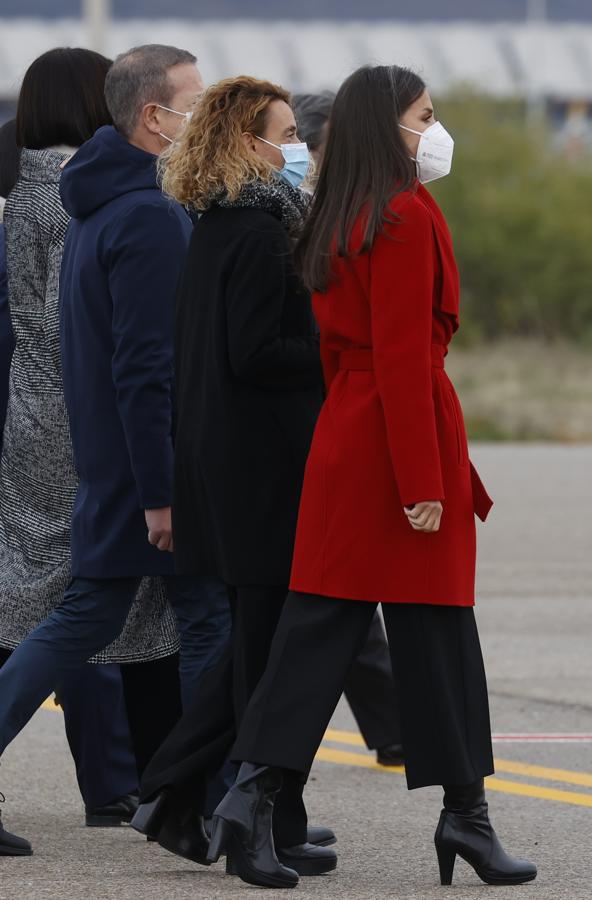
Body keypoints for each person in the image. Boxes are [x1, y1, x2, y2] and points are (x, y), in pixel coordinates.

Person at [206, 65, 538, 890]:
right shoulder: (402, 215)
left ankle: (250, 803)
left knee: (318, 632)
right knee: (438, 633)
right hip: (399, 436)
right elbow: (399, 352)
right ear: (388, 126)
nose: (435, 129)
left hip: (353, 435)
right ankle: (465, 818)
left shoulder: (341, 210)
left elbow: (343, 351)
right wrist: (422, 479)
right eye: (425, 115)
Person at [0, 44, 231, 851]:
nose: (205, 115)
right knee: (186, 619)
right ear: (149, 115)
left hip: (80, 440)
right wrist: (161, 489)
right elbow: (144, 364)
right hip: (126, 451)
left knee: (79, 618)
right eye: (195, 103)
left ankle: (190, 799)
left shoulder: (79, 198)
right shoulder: (141, 214)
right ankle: (189, 798)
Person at [132, 75, 336, 879]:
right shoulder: (254, 232)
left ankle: (197, 800)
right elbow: (254, 354)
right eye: (287, 134)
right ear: (248, 142)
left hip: (234, 464)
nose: (300, 151)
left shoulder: (221, 223)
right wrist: (337, 355)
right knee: (269, 654)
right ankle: (221, 813)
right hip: (261, 473)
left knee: (260, 647)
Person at [293, 90, 403, 767]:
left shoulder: (340, 210)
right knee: (331, 600)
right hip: (314, 416)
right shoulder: (308, 212)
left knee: (335, 597)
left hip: (328, 413)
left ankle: (395, 726)